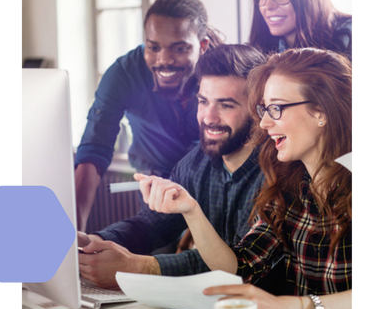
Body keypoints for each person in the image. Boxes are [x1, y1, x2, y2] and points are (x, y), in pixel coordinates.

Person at [139, 48, 355, 309]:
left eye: (276, 108)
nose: (264, 123)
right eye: (264, 109)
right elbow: (239, 267)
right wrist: (191, 211)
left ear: (321, 111)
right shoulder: (290, 184)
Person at [78, 44, 271, 288]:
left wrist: (137, 267)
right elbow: (152, 225)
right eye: (203, 101)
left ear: (258, 109)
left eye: (226, 105)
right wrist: (93, 243)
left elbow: (235, 266)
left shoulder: (278, 172)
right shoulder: (195, 163)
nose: (208, 117)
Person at [74, 0, 223, 231]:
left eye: (179, 48)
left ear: (202, 46)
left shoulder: (223, 73)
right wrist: (75, 229)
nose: (163, 60)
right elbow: (94, 147)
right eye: (153, 47)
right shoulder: (124, 74)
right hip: (156, 191)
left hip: (214, 189)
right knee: (149, 258)